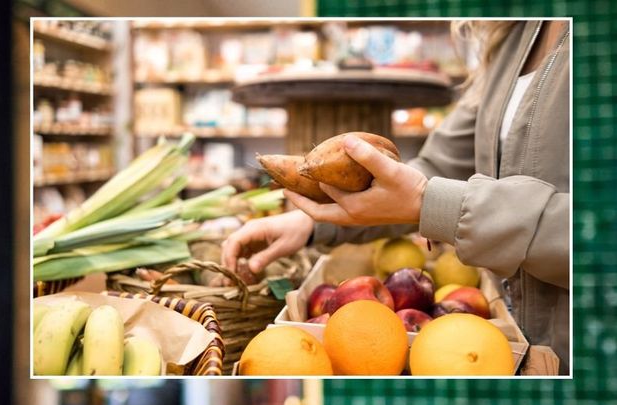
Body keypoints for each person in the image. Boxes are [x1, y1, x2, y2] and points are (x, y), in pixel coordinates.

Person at [223, 19, 570, 371]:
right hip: (491, 344)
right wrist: (311, 223)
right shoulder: (512, 37)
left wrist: (429, 203)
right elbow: (440, 165)